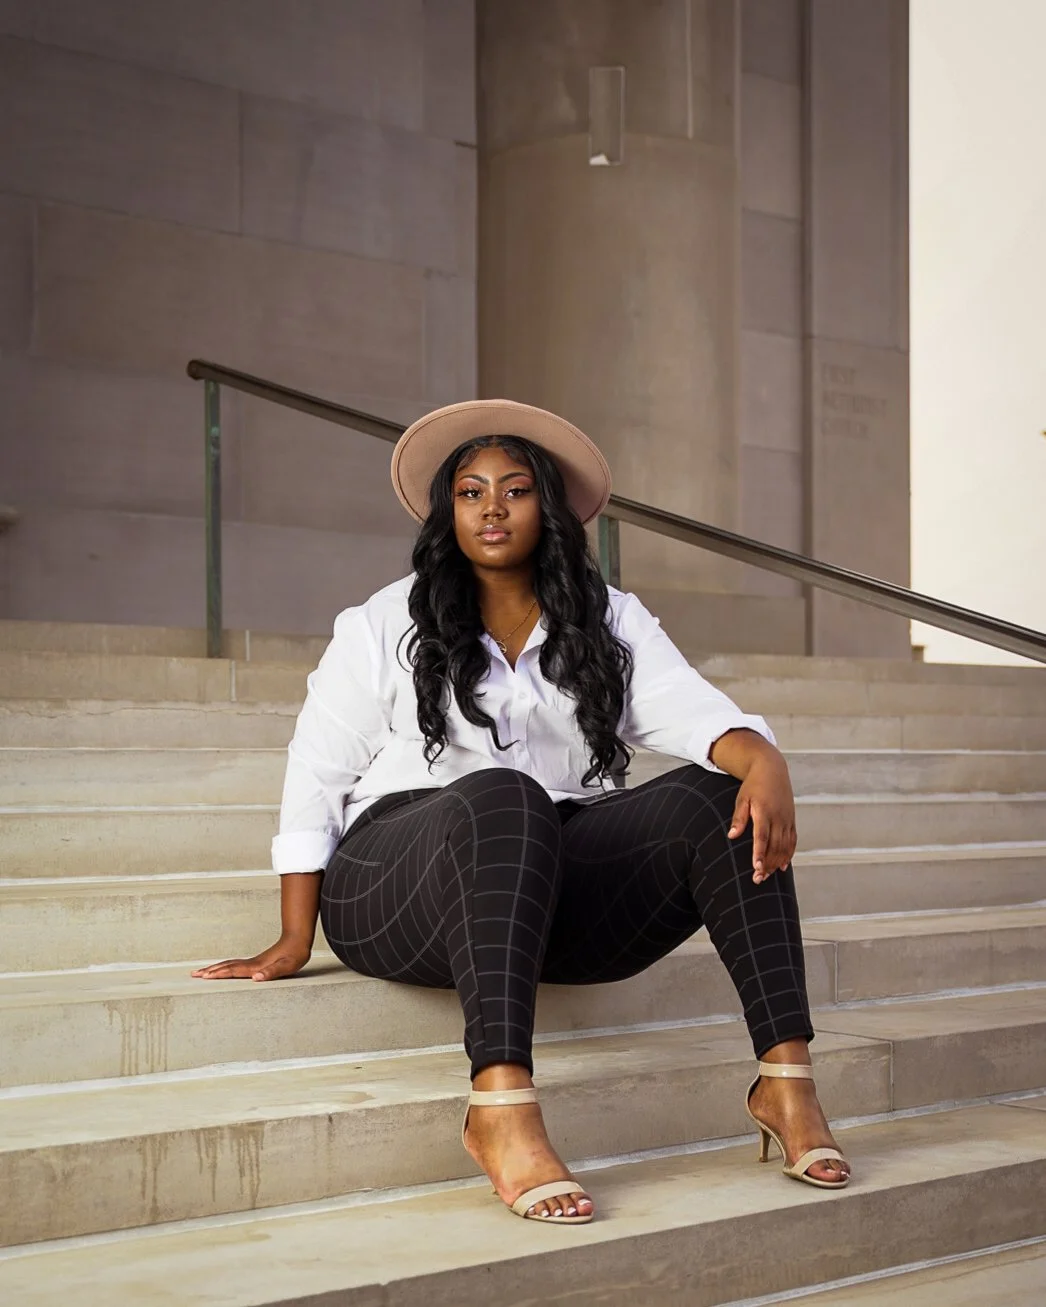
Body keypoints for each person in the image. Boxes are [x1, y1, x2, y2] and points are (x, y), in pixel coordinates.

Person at [193, 398, 851, 1224]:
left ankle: (786, 1082)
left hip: (548, 880)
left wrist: (762, 756)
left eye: (514, 489)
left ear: (550, 504)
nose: (492, 506)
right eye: (470, 492)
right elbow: (316, 771)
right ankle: (500, 1108)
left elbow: (691, 709)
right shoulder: (380, 623)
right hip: (397, 872)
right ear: (448, 512)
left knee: (717, 796)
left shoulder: (609, 617)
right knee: (506, 792)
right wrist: (296, 934)